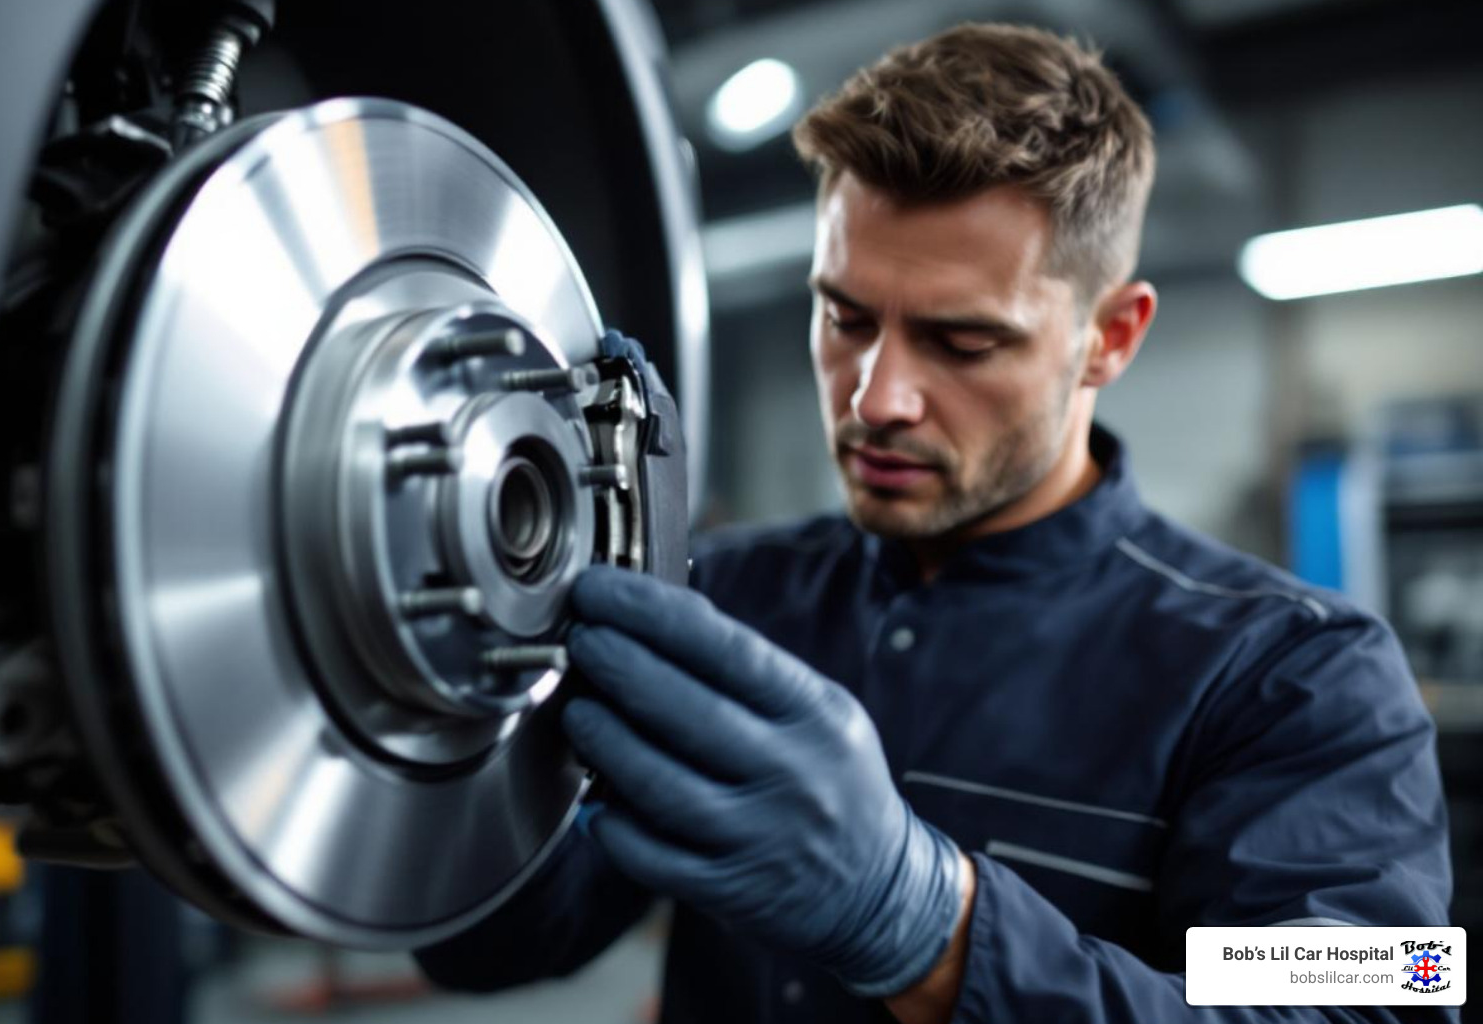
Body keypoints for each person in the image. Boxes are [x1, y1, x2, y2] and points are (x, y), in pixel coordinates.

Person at [416, 22, 1454, 1024]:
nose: (876, 397)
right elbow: (496, 945)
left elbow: (1362, 1005)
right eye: (846, 317)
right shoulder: (727, 600)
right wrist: (453, 722)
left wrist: (926, 925)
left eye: (961, 340)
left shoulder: (1297, 681)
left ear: (1111, 337)